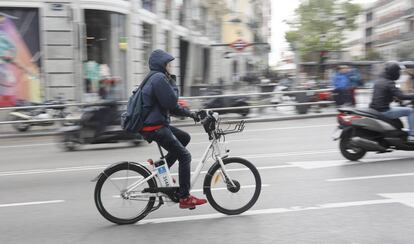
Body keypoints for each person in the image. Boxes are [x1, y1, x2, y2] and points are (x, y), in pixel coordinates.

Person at [139, 49, 207, 209]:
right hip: (155, 127)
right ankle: (185, 197)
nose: (170, 68)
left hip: (155, 124)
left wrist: (188, 113)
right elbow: (172, 104)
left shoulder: (155, 77)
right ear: (162, 65)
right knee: (185, 157)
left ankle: (161, 168)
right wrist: (192, 114)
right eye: (168, 65)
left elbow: (169, 103)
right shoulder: (159, 79)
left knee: (184, 138)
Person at [369, 62, 414, 141]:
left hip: (375, 109)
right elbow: (401, 96)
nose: (399, 74)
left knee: (402, 108)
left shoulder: (379, 80)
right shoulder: (389, 83)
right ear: (393, 72)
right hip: (384, 111)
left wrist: (395, 99)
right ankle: (412, 135)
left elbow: (385, 95)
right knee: (411, 111)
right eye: (398, 72)